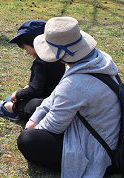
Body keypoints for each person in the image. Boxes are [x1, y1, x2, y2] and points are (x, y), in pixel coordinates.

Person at [17, 17, 120, 177]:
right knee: (35, 106)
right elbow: (57, 94)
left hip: (96, 149)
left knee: (27, 140)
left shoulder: (75, 83)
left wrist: (35, 128)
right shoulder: (96, 58)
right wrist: (35, 117)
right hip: (100, 125)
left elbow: (53, 126)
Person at [0, 20, 65, 121]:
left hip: (43, 103)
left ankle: (8, 108)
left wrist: (18, 94)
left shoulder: (40, 64)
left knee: (23, 104)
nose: (26, 52)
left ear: (35, 43)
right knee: (19, 98)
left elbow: (35, 90)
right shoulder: (59, 58)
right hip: (55, 100)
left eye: (25, 47)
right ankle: (14, 102)